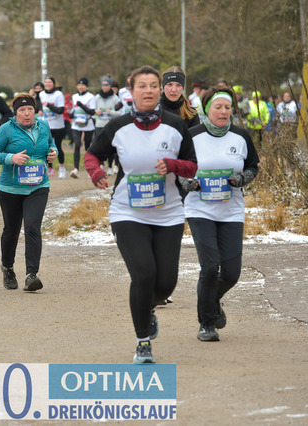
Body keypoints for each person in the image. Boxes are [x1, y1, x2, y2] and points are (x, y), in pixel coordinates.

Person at [84, 65, 197, 363]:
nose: (148, 91)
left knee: (166, 283)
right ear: (131, 92)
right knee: (144, 273)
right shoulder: (118, 126)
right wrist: (96, 173)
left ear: (160, 90)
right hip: (128, 212)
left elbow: (192, 166)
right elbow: (93, 154)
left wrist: (172, 165)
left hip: (168, 213)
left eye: (153, 85)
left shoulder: (175, 125)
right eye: (142, 86)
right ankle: (142, 342)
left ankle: (148, 307)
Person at [179, 86, 259, 342]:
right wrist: (189, 183)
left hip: (231, 211)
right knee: (210, 267)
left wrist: (241, 179)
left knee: (232, 273)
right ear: (207, 109)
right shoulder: (192, 136)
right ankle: (206, 323)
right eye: (218, 107)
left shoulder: (240, 136)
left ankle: (211, 302)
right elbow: (179, 170)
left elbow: (253, 167)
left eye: (227, 107)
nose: (224, 112)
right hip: (199, 209)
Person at [0, 93, 57, 291]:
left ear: (35, 111)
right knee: (12, 230)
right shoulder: (6, 129)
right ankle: (8, 268)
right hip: (11, 189)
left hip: (38, 186)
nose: (26, 113)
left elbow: (50, 145)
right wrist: (11, 158)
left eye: (30, 109)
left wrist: (53, 152)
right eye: (22, 110)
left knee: (33, 227)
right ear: (15, 112)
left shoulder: (43, 126)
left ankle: (31, 275)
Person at [38, 76, 67, 178]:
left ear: (54, 84)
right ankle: (49, 168)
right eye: (46, 82)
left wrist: (49, 105)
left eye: (49, 82)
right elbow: (40, 105)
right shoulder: (41, 94)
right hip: (46, 125)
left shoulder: (58, 94)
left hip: (58, 126)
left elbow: (60, 110)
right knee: (46, 148)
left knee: (57, 147)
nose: (47, 84)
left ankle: (62, 168)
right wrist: (40, 109)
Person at [94, 76, 121, 176]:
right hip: (99, 125)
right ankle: (100, 165)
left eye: (107, 85)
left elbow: (120, 113)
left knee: (110, 146)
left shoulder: (115, 98)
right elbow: (92, 110)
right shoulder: (97, 97)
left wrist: (111, 112)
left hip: (110, 125)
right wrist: (96, 112)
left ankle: (110, 167)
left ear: (110, 86)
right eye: (103, 85)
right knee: (99, 146)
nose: (105, 87)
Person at [69, 77, 96, 178]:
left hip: (88, 124)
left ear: (86, 87)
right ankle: (76, 168)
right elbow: (73, 109)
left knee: (87, 147)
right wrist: (71, 114)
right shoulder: (74, 96)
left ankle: (90, 169)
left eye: (83, 85)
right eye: (79, 85)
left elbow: (92, 112)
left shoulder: (91, 97)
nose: (80, 87)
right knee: (77, 145)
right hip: (76, 124)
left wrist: (82, 106)